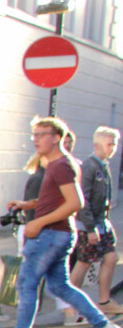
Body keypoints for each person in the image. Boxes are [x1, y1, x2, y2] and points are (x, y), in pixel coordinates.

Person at [0, 116, 121, 328]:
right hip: (58, 234)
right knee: (61, 287)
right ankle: (102, 326)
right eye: (34, 135)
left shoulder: (60, 166)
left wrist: (39, 222)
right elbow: (58, 199)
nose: (36, 140)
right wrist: (29, 204)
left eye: (42, 134)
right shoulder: (60, 164)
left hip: (49, 236)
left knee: (27, 284)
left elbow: (76, 202)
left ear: (57, 137)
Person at [0, 149, 75, 322]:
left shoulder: (43, 177)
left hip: (37, 230)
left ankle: (70, 313)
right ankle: (69, 313)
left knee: (42, 272)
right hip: (36, 231)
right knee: (28, 272)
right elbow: (39, 209)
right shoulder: (41, 179)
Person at [67, 126, 121, 317]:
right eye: (110, 144)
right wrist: (90, 228)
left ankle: (104, 301)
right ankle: (70, 306)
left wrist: (104, 223)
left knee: (111, 258)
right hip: (88, 226)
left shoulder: (103, 165)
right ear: (97, 144)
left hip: (101, 223)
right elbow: (84, 201)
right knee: (84, 262)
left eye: (115, 144)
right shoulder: (89, 167)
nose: (113, 147)